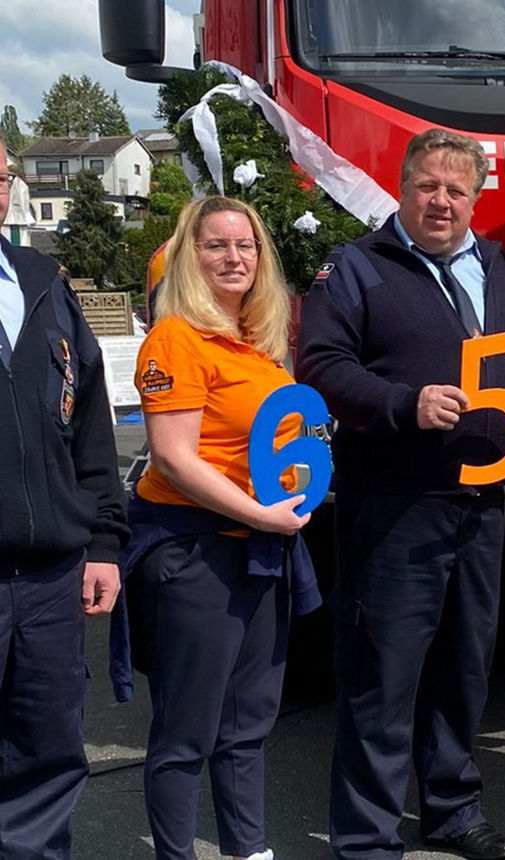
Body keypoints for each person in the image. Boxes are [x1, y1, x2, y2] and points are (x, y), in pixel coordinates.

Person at [297, 128, 505, 860]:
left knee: (464, 669)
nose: (442, 201)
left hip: (484, 503)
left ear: (476, 198)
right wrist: (404, 403)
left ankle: (454, 813)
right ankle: (365, 840)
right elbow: (322, 365)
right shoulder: (357, 266)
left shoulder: (494, 264)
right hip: (396, 506)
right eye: (428, 185)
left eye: (458, 190)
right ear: (403, 185)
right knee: (383, 678)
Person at [122, 196, 321, 860]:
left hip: (258, 550)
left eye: (247, 246)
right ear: (188, 257)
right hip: (193, 554)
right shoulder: (175, 337)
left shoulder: (259, 347)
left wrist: (298, 493)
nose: (235, 257)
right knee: (186, 736)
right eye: (216, 245)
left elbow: (275, 448)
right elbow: (174, 460)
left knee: (245, 729)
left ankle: (249, 851)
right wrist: (263, 514)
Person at [0, 133, 128, 859]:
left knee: (47, 764)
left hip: (50, 580)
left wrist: (104, 539)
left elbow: (89, 429)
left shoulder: (43, 281)